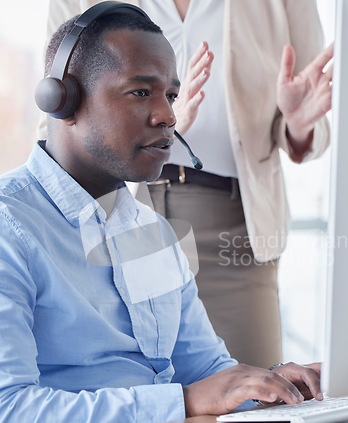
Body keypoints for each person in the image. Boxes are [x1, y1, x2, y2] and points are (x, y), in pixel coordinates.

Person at [0, 6, 322, 423]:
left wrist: (269, 385)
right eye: (140, 92)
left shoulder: (152, 233)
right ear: (62, 101)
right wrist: (182, 402)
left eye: (172, 96)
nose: (168, 116)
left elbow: (207, 372)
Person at [41, 0, 332, 368]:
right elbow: (56, 113)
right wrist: (164, 126)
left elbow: (313, 114)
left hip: (233, 220)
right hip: (120, 210)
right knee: (136, 384)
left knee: (256, 396)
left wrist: (300, 124)